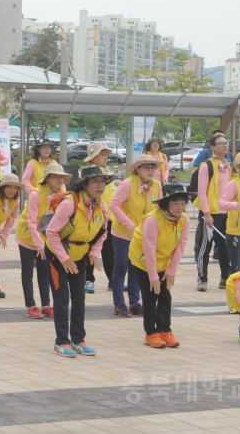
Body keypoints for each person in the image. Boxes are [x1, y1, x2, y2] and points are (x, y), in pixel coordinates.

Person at [45, 165, 113, 357]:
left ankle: (78, 339)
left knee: (79, 298)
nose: (100, 186)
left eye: (103, 182)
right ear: (85, 184)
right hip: (57, 256)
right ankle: (61, 341)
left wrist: (94, 252)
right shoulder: (70, 204)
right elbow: (51, 232)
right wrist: (64, 258)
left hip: (80, 255)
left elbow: (103, 232)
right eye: (96, 182)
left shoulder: (101, 207)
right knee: (61, 298)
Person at [130, 182, 191, 349]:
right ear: (166, 203)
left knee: (165, 296)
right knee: (150, 296)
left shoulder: (184, 219)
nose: (180, 208)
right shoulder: (152, 219)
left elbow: (181, 246)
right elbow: (148, 249)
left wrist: (171, 271)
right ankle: (151, 333)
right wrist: (153, 276)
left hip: (163, 261)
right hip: (143, 261)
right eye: (175, 203)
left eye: (183, 203)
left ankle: (165, 330)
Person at [107, 156, 162, 317]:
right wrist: (129, 224)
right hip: (123, 233)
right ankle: (118, 303)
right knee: (121, 266)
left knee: (137, 267)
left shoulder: (157, 186)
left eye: (153, 168)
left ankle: (134, 302)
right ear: (138, 169)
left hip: (143, 234)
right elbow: (114, 205)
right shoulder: (128, 184)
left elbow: (158, 208)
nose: (150, 171)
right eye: (146, 167)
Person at [16, 164, 69, 319]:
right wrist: (39, 244)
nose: (59, 179)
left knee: (44, 271)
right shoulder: (36, 194)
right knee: (27, 271)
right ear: (47, 179)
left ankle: (46, 304)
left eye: (61, 177)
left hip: (47, 238)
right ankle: (31, 305)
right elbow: (32, 222)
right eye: (55, 176)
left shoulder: (64, 194)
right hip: (28, 236)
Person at [195, 132, 233, 291]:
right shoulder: (206, 165)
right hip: (210, 214)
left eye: (226, 143)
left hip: (226, 214)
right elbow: (202, 192)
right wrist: (207, 214)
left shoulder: (228, 165)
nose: (225, 145)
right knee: (205, 247)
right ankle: (202, 279)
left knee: (225, 247)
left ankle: (225, 278)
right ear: (212, 147)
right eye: (221, 143)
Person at [81, 141, 115, 294]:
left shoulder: (108, 172)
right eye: (101, 155)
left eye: (106, 155)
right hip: (93, 217)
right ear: (92, 157)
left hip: (109, 218)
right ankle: (88, 279)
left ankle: (113, 280)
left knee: (109, 251)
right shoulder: (88, 173)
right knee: (90, 248)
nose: (105, 158)